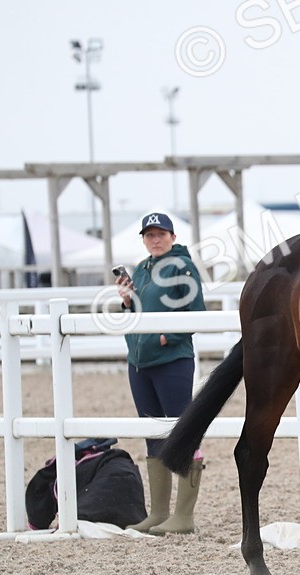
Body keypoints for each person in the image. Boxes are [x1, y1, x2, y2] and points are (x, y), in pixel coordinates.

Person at [115, 212, 207, 535]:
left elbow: (197, 313)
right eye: (149, 235)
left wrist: (166, 337)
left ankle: (184, 516)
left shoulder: (183, 268)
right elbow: (139, 311)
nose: (155, 239)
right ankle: (158, 513)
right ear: (143, 239)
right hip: (140, 363)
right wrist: (127, 302)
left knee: (182, 431)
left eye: (160, 234)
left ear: (172, 236)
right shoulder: (142, 269)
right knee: (153, 434)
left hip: (171, 361)